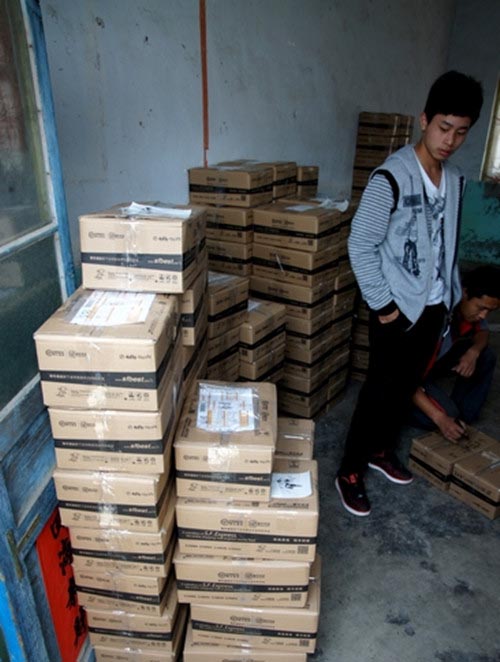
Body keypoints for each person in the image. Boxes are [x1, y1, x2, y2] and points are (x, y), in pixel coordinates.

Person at [336, 70, 484, 517]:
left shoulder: (455, 180)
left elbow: (446, 243)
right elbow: (360, 244)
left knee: (404, 387)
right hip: (397, 307)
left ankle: (380, 451)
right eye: (443, 127)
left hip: (435, 305)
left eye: (461, 132)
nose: (450, 141)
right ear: (424, 120)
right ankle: (349, 470)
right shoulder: (392, 177)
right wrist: (384, 307)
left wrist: (449, 297)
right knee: (378, 391)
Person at [412, 265, 500, 441]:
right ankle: (448, 418)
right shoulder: (434, 316)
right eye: (481, 308)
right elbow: (403, 376)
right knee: (441, 416)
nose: (483, 316)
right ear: (464, 293)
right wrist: (440, 418)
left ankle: (460, 420)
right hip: (403, 377)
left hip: (433, 362)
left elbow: (482, 332)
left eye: (489, 311)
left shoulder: (467, 310)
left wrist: (474, 352)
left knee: (485, 356)